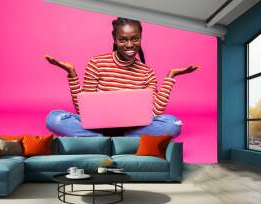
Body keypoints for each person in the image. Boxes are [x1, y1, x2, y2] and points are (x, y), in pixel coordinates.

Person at [44, 17, 198, 137]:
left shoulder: (147, 72)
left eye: (135, 38)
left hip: (132, 128)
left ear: (141, 37)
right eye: (123, 39)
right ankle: (117, 141)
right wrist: (72, 74)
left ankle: (103, 141)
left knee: (173, 124)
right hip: (99, 126)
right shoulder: (96, 63)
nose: (130, 45)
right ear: (115, 39)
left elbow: (156, 111)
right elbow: (83, 111)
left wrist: (171, 76)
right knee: (54, 118)